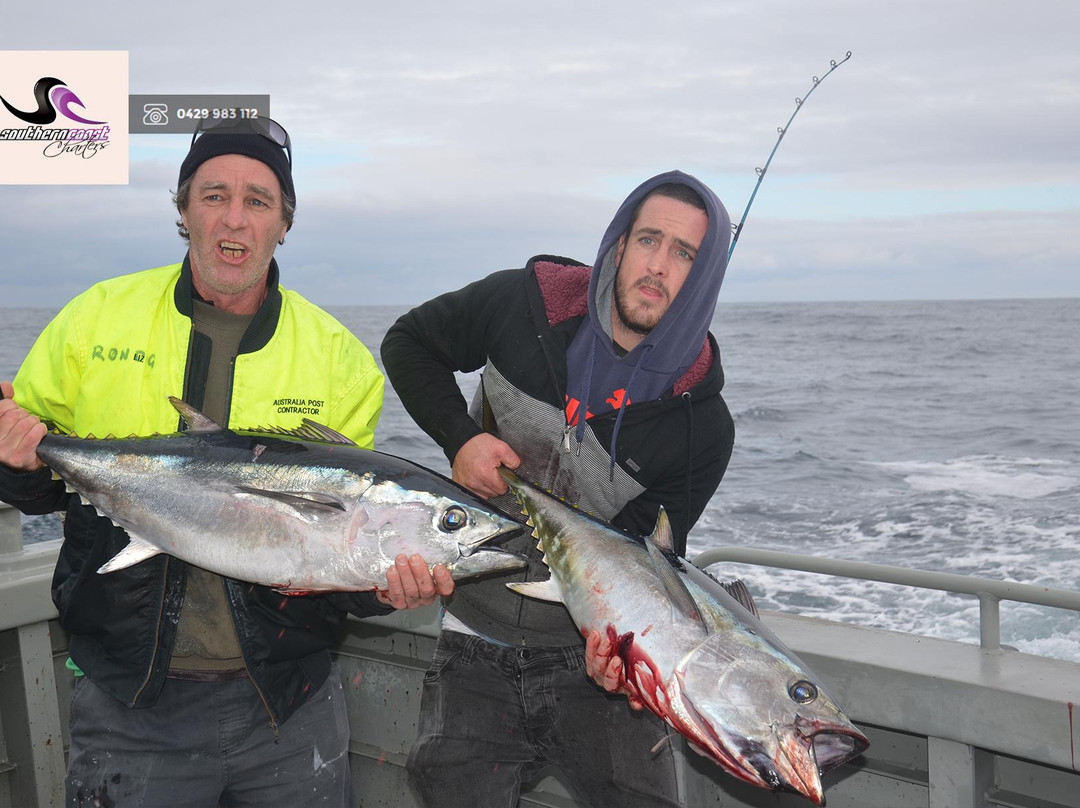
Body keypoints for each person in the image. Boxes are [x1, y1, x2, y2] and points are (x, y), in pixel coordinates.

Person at [0, 116, 453, 807]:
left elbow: (337, 549)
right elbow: (38, 487)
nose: (233, 221)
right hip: (130, 706)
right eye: (213, 197)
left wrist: (385, 583)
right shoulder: (94, 320)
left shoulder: (340, 360)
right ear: (183, 211)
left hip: (288, 708)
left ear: (284, 222)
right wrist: (16, 459)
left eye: (257, 200)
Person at [381, 170, 735, 807]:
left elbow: (645, 558)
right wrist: (460, 439)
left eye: (684, 253)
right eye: (648, 239)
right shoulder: (524, 304)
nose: (658, 266)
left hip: (585, 658)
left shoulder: (700, 426)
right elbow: (408, 343)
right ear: (618, 245)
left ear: (703, 276)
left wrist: (623, 654)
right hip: (473, 634)